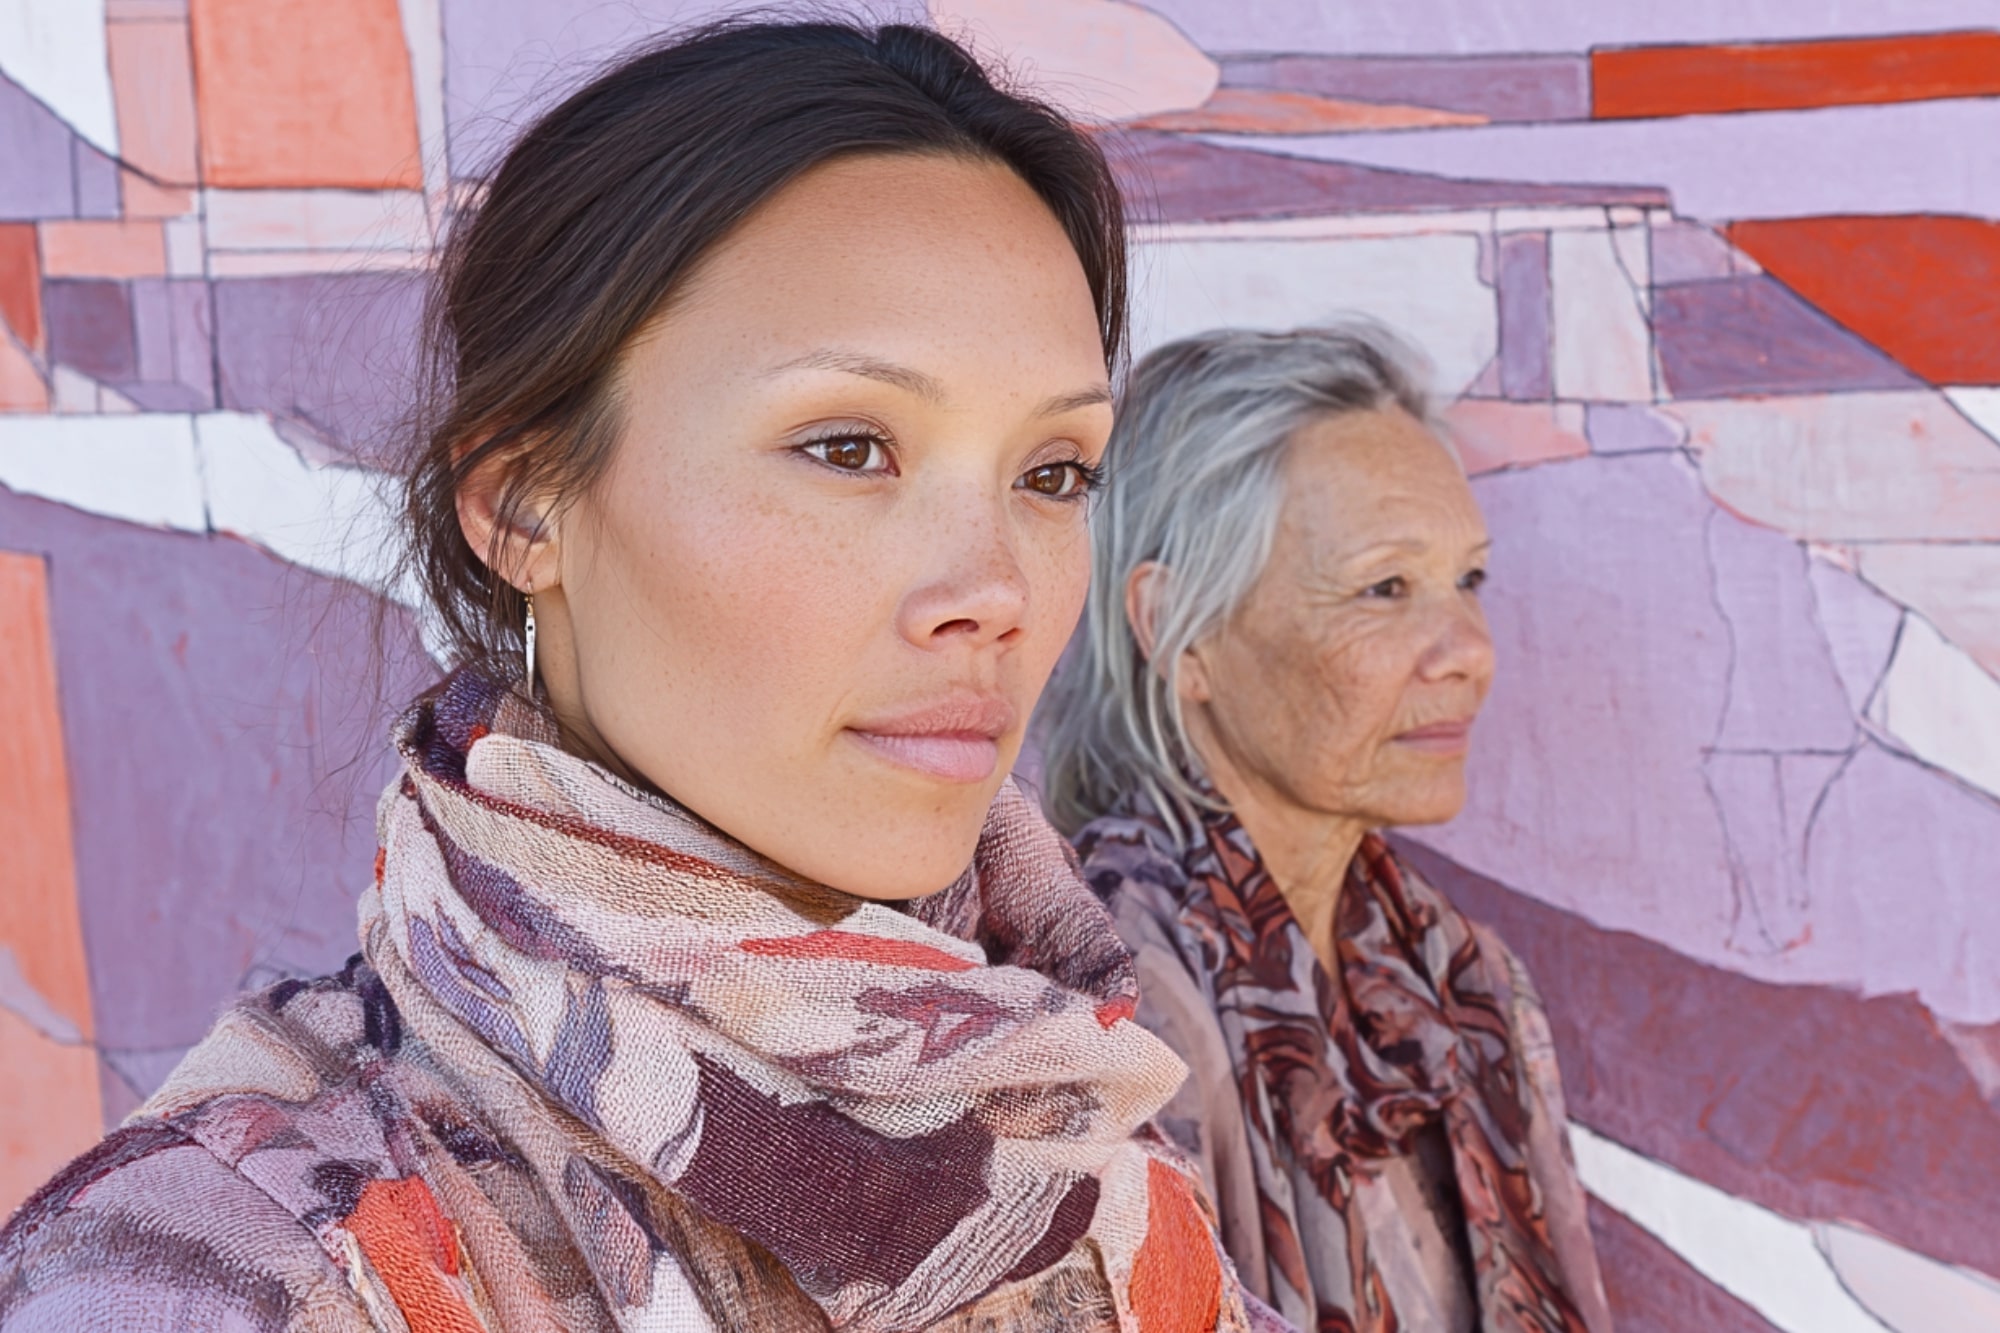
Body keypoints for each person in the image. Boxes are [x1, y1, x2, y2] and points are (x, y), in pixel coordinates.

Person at [0, 22, 1272, 1333]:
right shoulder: (230, 1272)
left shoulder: (1089, 1149)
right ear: (523, 504)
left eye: (1053, 472)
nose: (995, 589)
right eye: (848, 447)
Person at [1042, 325, 1614, 1333]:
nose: (1468, 651)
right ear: (1179, 631)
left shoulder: (1464, 981)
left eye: (1467, 580)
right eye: (1384, 587)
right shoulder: (1109, 1009)